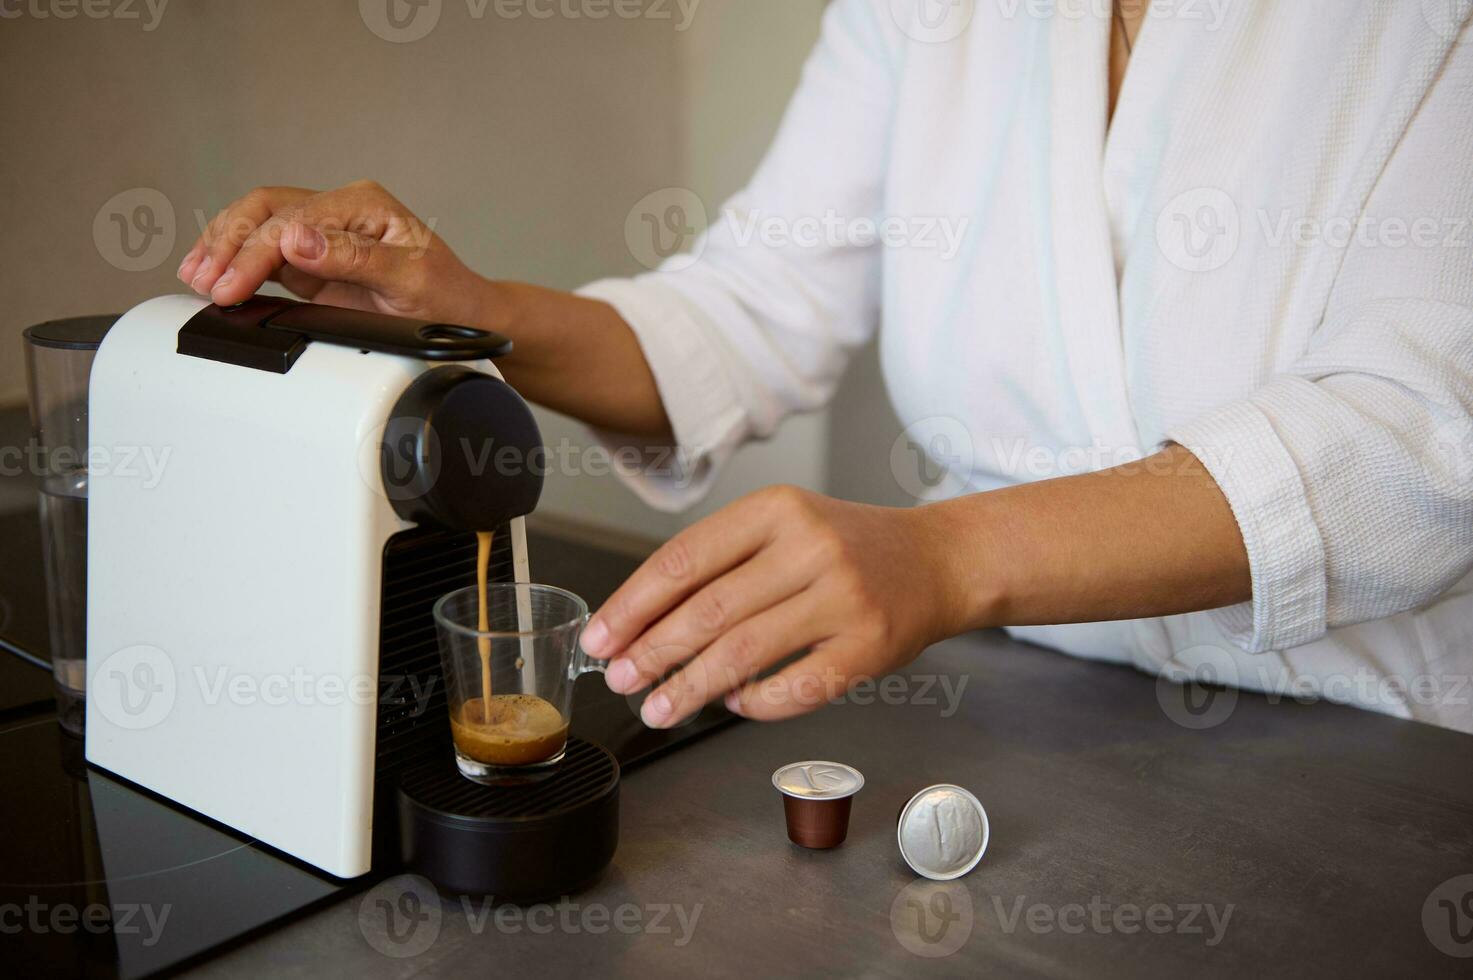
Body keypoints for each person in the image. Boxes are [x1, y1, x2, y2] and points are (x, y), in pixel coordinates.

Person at [176, 1, 1473, 733]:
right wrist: (466, 309)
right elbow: (753, 305)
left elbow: (1414, 434)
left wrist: (944, 555)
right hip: (1027, 712)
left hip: (1389, 739)